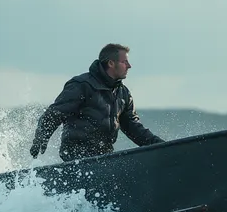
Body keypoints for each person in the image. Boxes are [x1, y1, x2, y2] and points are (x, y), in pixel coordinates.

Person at [30, 43, 165, 162]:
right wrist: (41, 136)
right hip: (76, 159)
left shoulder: (123, 93)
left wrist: (162, 147)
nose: (129, 66)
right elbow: (55, 113)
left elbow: (133, 127)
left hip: (104, 159)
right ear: (111, 63)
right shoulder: (82, 85)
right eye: (125, 62)